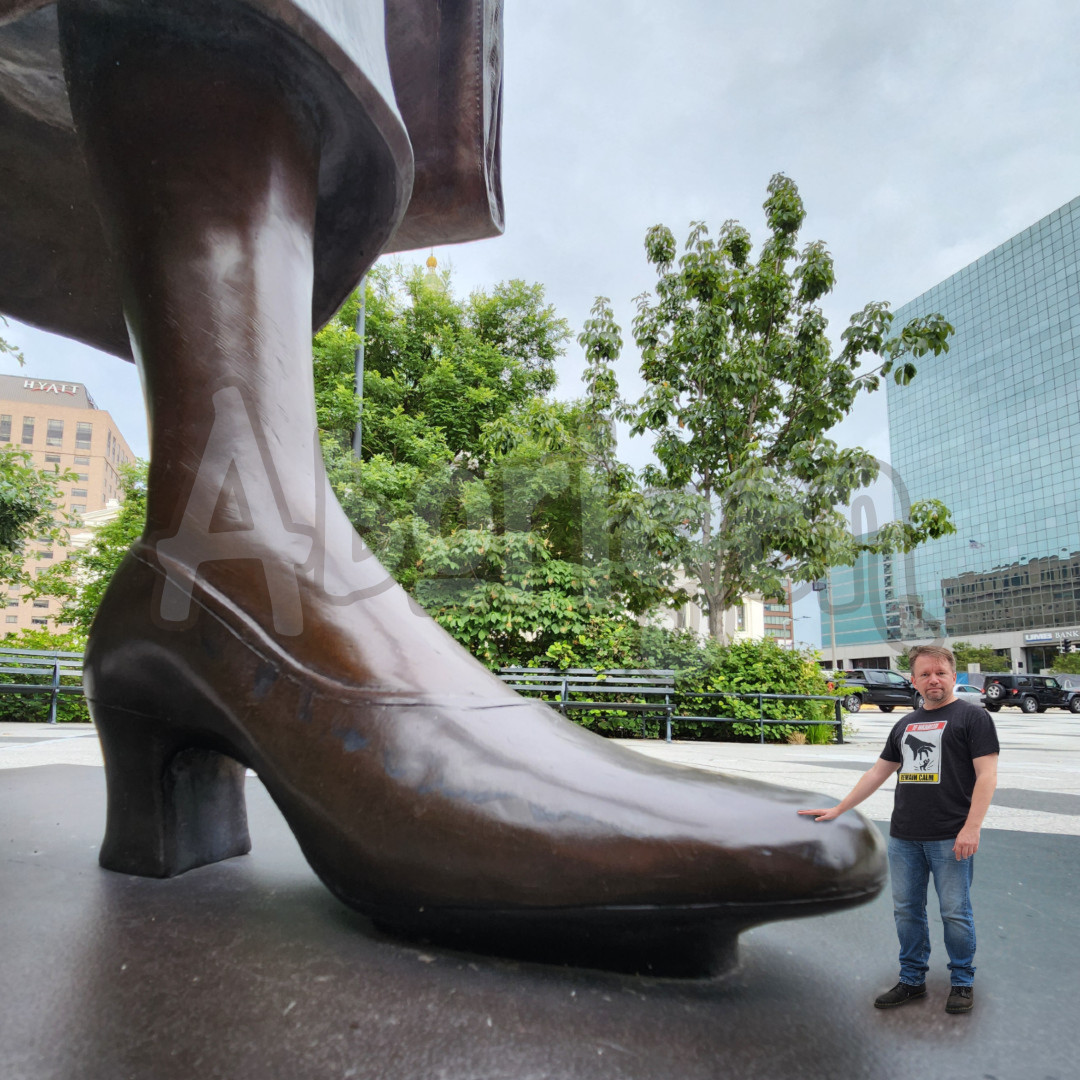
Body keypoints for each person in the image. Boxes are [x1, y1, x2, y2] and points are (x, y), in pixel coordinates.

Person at [799, 645, 999, 1013]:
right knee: (907, 911)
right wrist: (840, 808)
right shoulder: (905, 724)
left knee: (955, 912)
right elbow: (878, 772)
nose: (933, 679)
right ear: (914, 680)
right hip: (904, 836)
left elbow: (987, 776)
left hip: (950, 836)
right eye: (925, 674)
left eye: (940, 672)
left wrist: (973, 827)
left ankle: (962, 981)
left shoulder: (973, 718)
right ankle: (911, 980)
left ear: (953, 676)